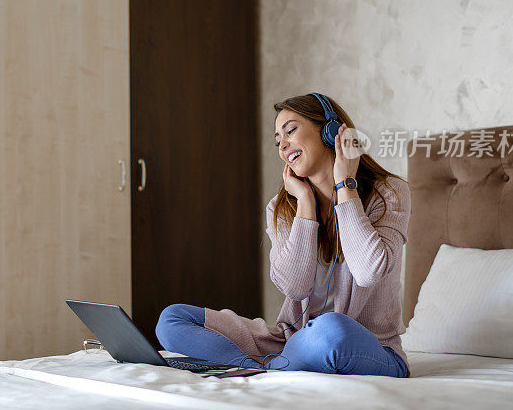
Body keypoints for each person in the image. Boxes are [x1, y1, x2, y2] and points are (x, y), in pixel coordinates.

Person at [154, 93, 412, 378]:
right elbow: (295, 287)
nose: (283, 145)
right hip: (290, 341)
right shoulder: (281, 208)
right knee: (172, 319)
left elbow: (368, 272)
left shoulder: (388, 193)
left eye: (290, 131)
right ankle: (271, 366)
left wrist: (345, 186)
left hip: (368, 349)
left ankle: (268, 366)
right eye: (278, 140)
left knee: (331, 329)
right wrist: (304, 203)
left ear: (330, 132)